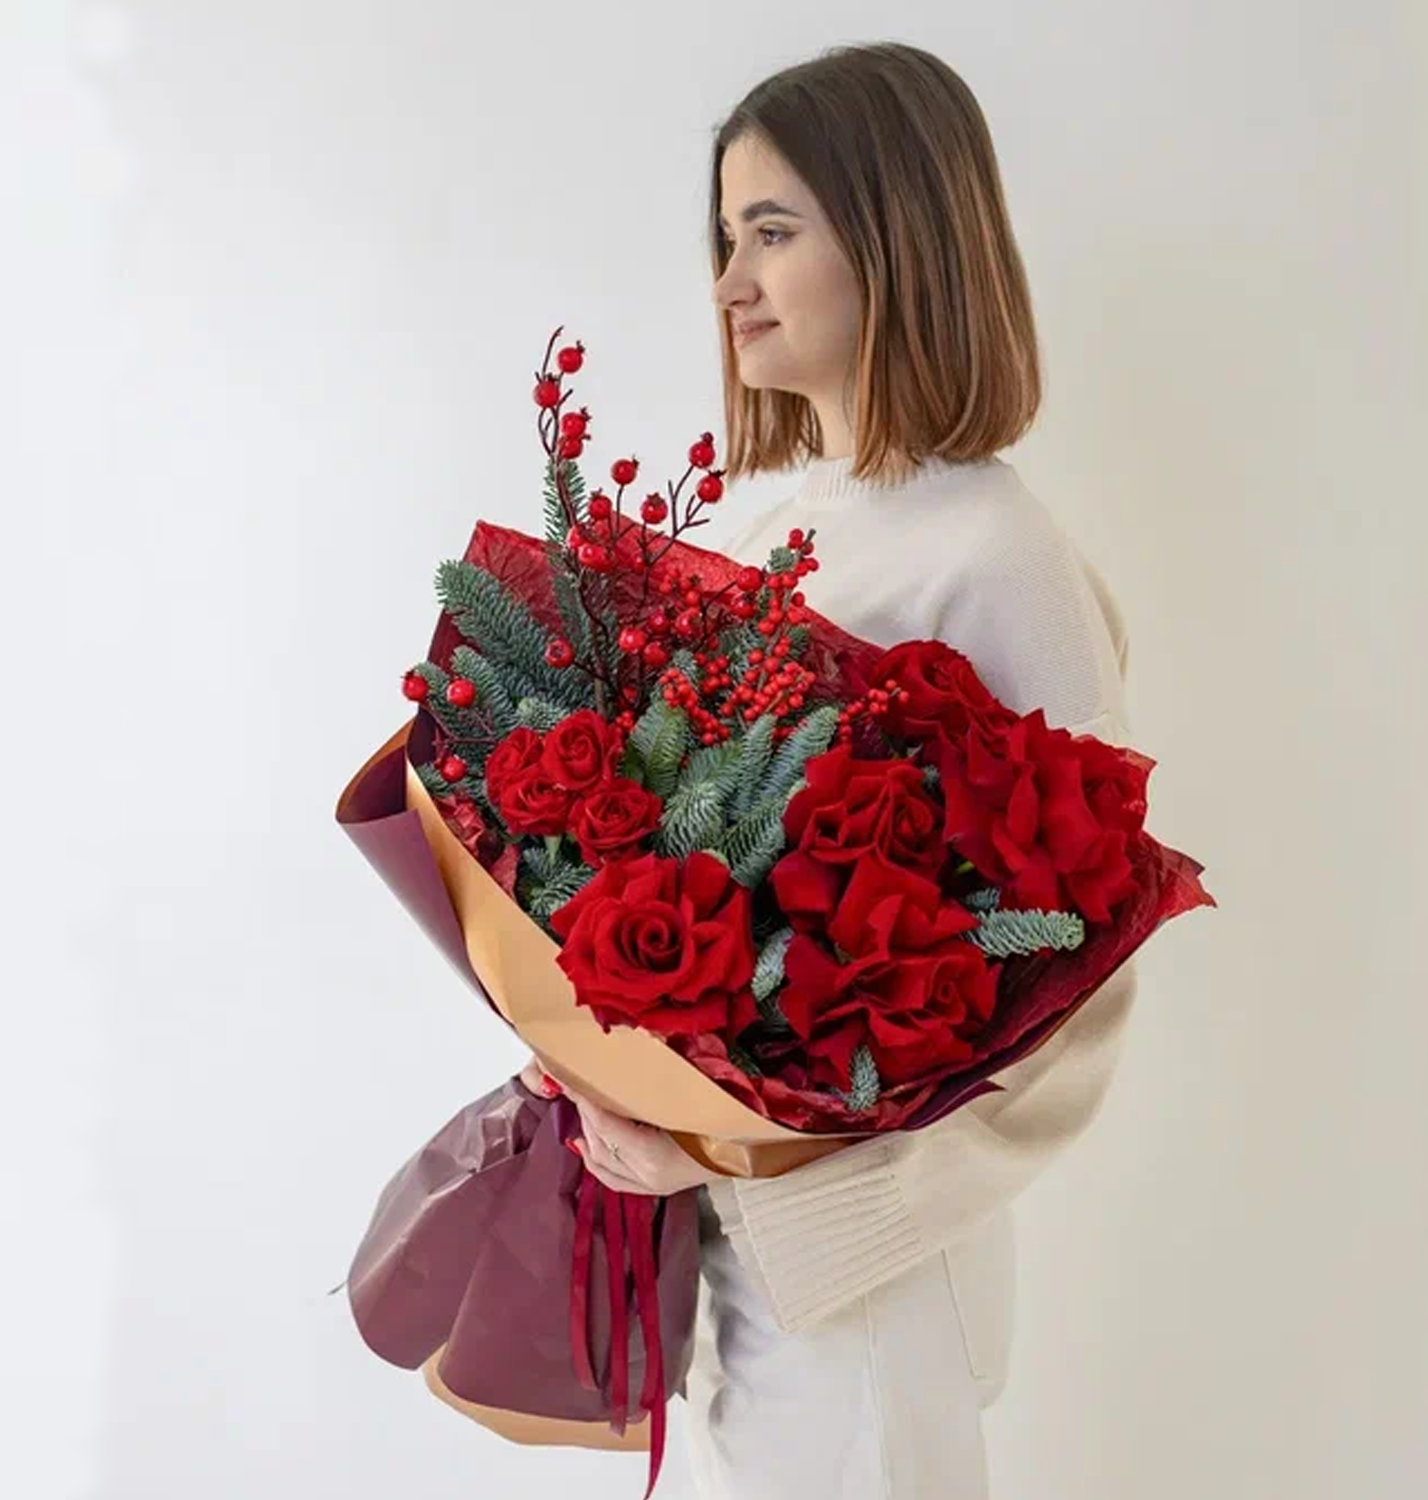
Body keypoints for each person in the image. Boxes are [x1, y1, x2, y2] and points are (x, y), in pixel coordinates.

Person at [518, 40, 1140, 1499]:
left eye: (773, 233)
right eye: (725, 237)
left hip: (868, 1290)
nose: (730, 281)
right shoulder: (766, 527)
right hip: (731, 1264)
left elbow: (1086, 988)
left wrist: (774, 1171)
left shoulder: (1000, 557)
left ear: (898, 238)